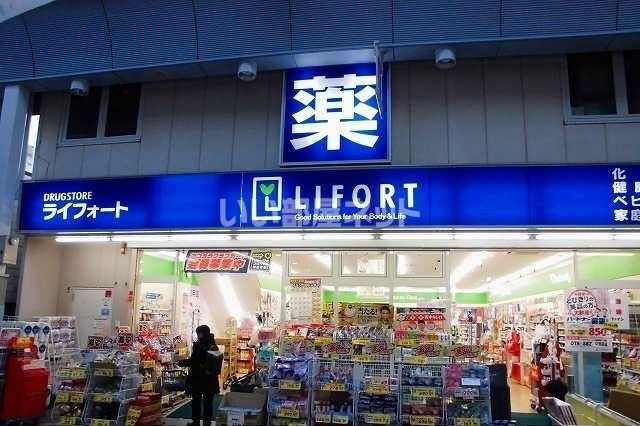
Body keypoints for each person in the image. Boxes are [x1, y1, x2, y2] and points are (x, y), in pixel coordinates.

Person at [178, 325, 223, 426]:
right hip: (210, 378)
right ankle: (207, 421)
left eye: (198, 333)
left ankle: (196, 421)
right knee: (208, 401)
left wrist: (182, 362)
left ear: (201, 333)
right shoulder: (212, 344)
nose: (198, 335)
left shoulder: (200, 344)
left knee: (196, 400)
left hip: (198, 377)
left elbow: (195, 360)